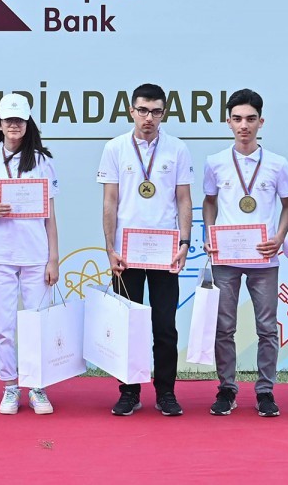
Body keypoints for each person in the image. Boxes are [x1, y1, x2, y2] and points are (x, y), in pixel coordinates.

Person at [97, 82, 193, 416]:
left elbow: (184, 199)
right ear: (131, 111)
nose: (148, 117)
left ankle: (166, 392)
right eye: (142, 110)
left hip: (165, 251)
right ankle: (129, 391)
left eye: (155, 111)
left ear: (163, 113)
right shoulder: (115, 148)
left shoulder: (177, 149)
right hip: (126, 253)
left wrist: (184, 242)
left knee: (165, 326)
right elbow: (110, 201)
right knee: (127, 326)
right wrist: (110, 248)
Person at [200, 89, 288, 417]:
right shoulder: (215, 162)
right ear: (228, 122)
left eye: (250, 119)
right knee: (224, 326)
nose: (244, 125)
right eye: (238, 119)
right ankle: (227, 388)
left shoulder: (278, 164)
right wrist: (209, 234)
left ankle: (265, 390)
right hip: (225, 257)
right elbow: (209, 202)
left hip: (263, 257)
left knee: (267, 327)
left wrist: (279, 238)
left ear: (261, 122)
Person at [0, 93, 60, 415]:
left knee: (36, 325)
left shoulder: (42, 161)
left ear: (27, 123)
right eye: (8, 120)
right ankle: (9, 386)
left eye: (19, 120)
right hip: (0, 254)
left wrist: (53, 258)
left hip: (36, 255)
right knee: (3, 326)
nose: (14, 125)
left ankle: (37, 387)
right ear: (0, 123)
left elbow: (50, 213)